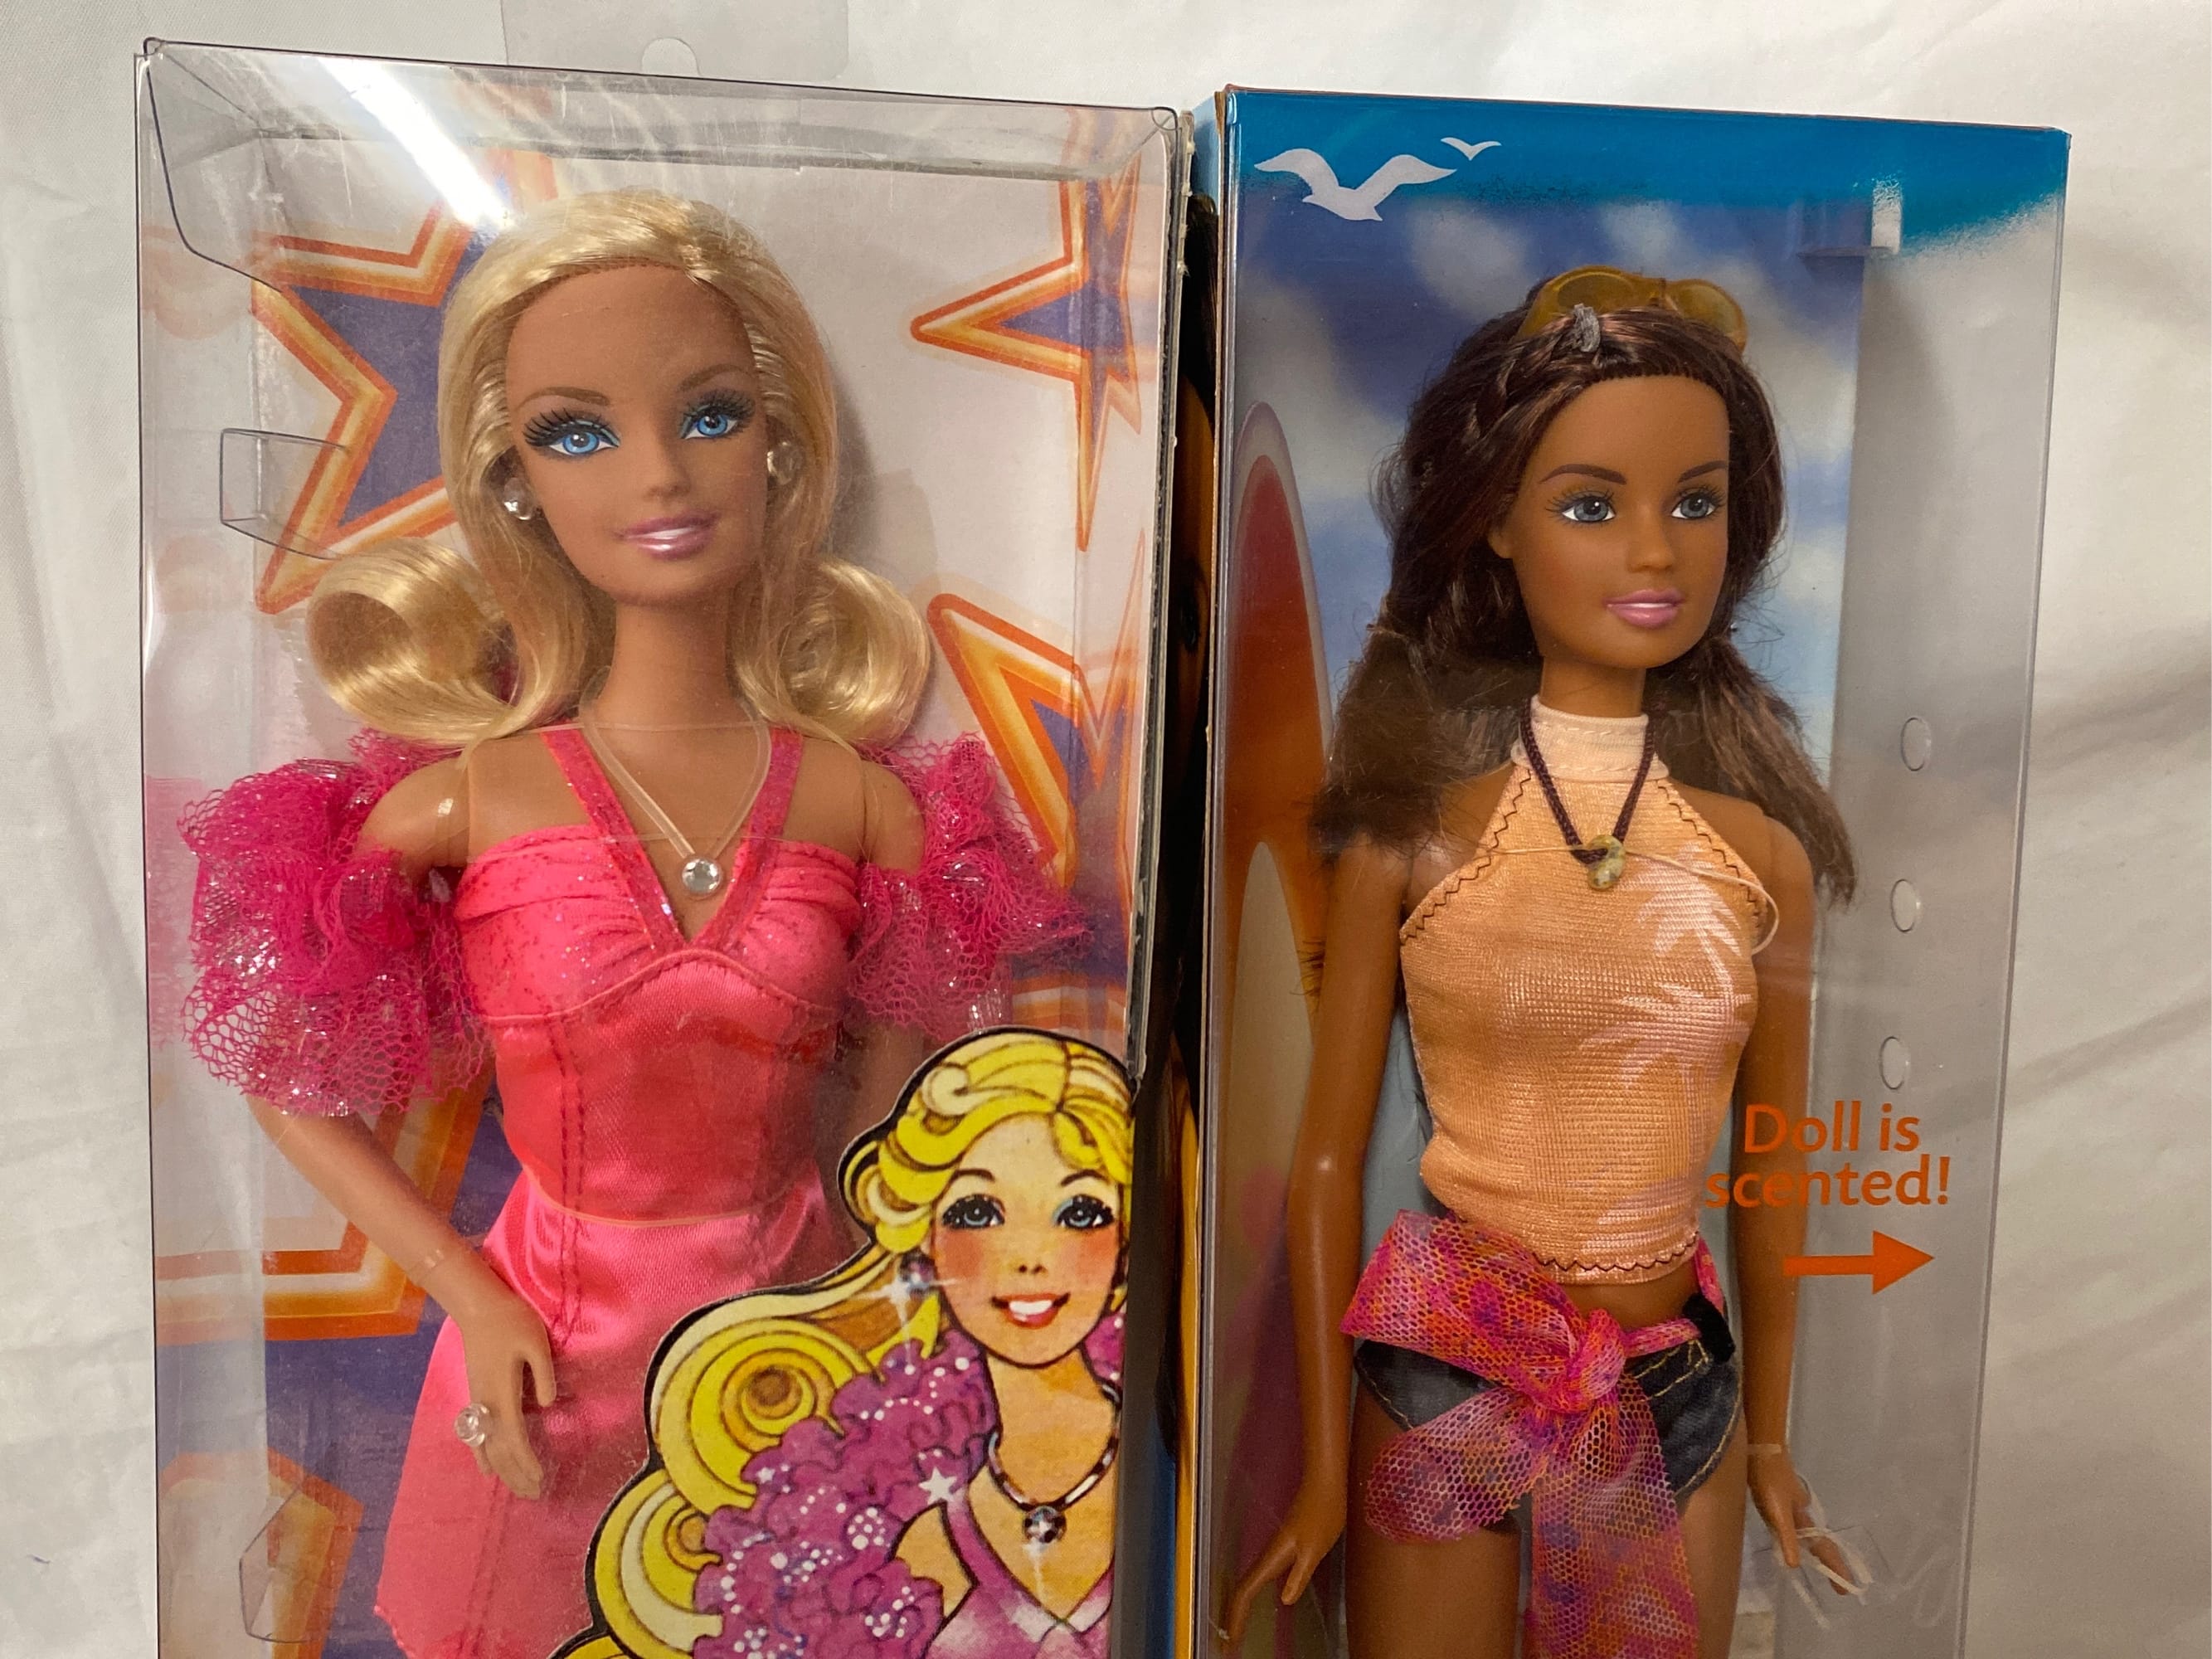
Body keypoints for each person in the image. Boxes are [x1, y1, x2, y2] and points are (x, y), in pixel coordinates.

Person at [180, 190, 1077, 1659]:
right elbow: (283, 1077)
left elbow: (894, 1117)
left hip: (787, 1363)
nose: (659, 472)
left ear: (779, 442)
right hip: (545, 1367)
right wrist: (468, 1293)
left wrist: (877, 1317)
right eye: (576, 432)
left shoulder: (863, 807)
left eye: (710, 414)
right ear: (512, 481)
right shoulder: (468, 803)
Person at [1225, 268, 1858, 1658]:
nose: (1652, 553)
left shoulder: (1756, 857)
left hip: (1670, 1388)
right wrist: (1322, 1469)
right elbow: (1326, 1161)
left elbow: (1773, 1168)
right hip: (1450, 1374)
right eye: (1589, 506)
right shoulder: (1414, 841)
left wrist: (1766, 1440)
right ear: (1497, 524)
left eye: (1693, 503)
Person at [581, 1027, 1131, 1659]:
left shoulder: (1177, 1464)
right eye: (977, 1212)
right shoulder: (918, 1550)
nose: (1029, 1256)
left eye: (1080, 1212)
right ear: (923, 1236)